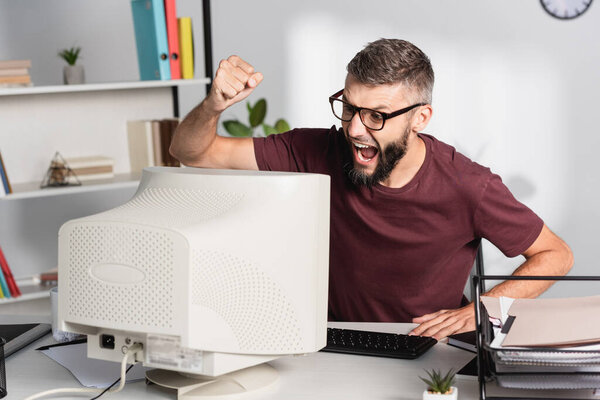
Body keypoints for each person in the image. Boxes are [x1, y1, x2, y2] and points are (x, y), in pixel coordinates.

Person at [170, 38, 573, 339]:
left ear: (420, 118)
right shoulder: (313, 150)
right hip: (332, 343)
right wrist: (213, 106)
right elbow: (194, 152)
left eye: (376, 116)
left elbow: (556, 255)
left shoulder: (468, 185)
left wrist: (483, 311)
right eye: (348, 107)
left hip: (427, 350)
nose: (355, 129)